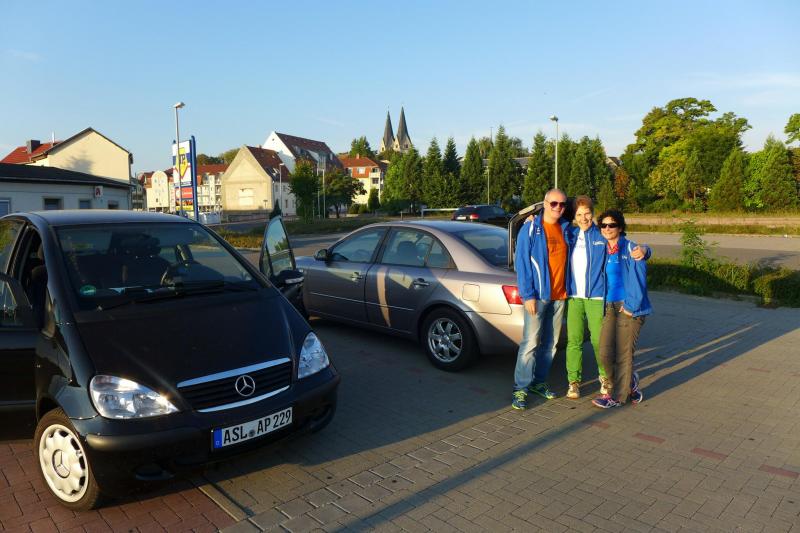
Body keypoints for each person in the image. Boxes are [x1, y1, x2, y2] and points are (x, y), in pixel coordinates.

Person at [564, 196, 649, 399]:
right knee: (574, 341)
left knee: (598, 342)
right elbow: (549, 229)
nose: (583, 218)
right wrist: (534, 220)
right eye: (579, 214)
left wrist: (646, 250)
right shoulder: (570, 234)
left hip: (596, 297)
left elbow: (627, 243)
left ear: (592, 214)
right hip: (574, 297)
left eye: (587, 213)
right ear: (574, 216)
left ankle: (605, 378)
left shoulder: (601, 235)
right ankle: (573, 382)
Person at [512, 189, 569, 409]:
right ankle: (520, 388)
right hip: (538, 296)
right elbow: (522, 264)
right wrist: (528, 295)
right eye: (554, 203)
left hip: (559, 296)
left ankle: (539, 382)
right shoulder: (530, 228)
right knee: (530, 343)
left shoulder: (566, 228)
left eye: (562, 204)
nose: (558, 208)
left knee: (551, 344)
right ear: (544, 204)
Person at [591, 209, 652, 408]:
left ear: (620, 227)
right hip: (609, 307)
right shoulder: (602, 248)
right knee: (604, 352)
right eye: (604, 225)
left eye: (612, 225)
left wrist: (631, 307)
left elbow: (640, 278)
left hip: (629, 308)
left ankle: (616, 397)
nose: (607, 228)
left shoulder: (631, 248)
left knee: (623, 354)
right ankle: (629, 382)